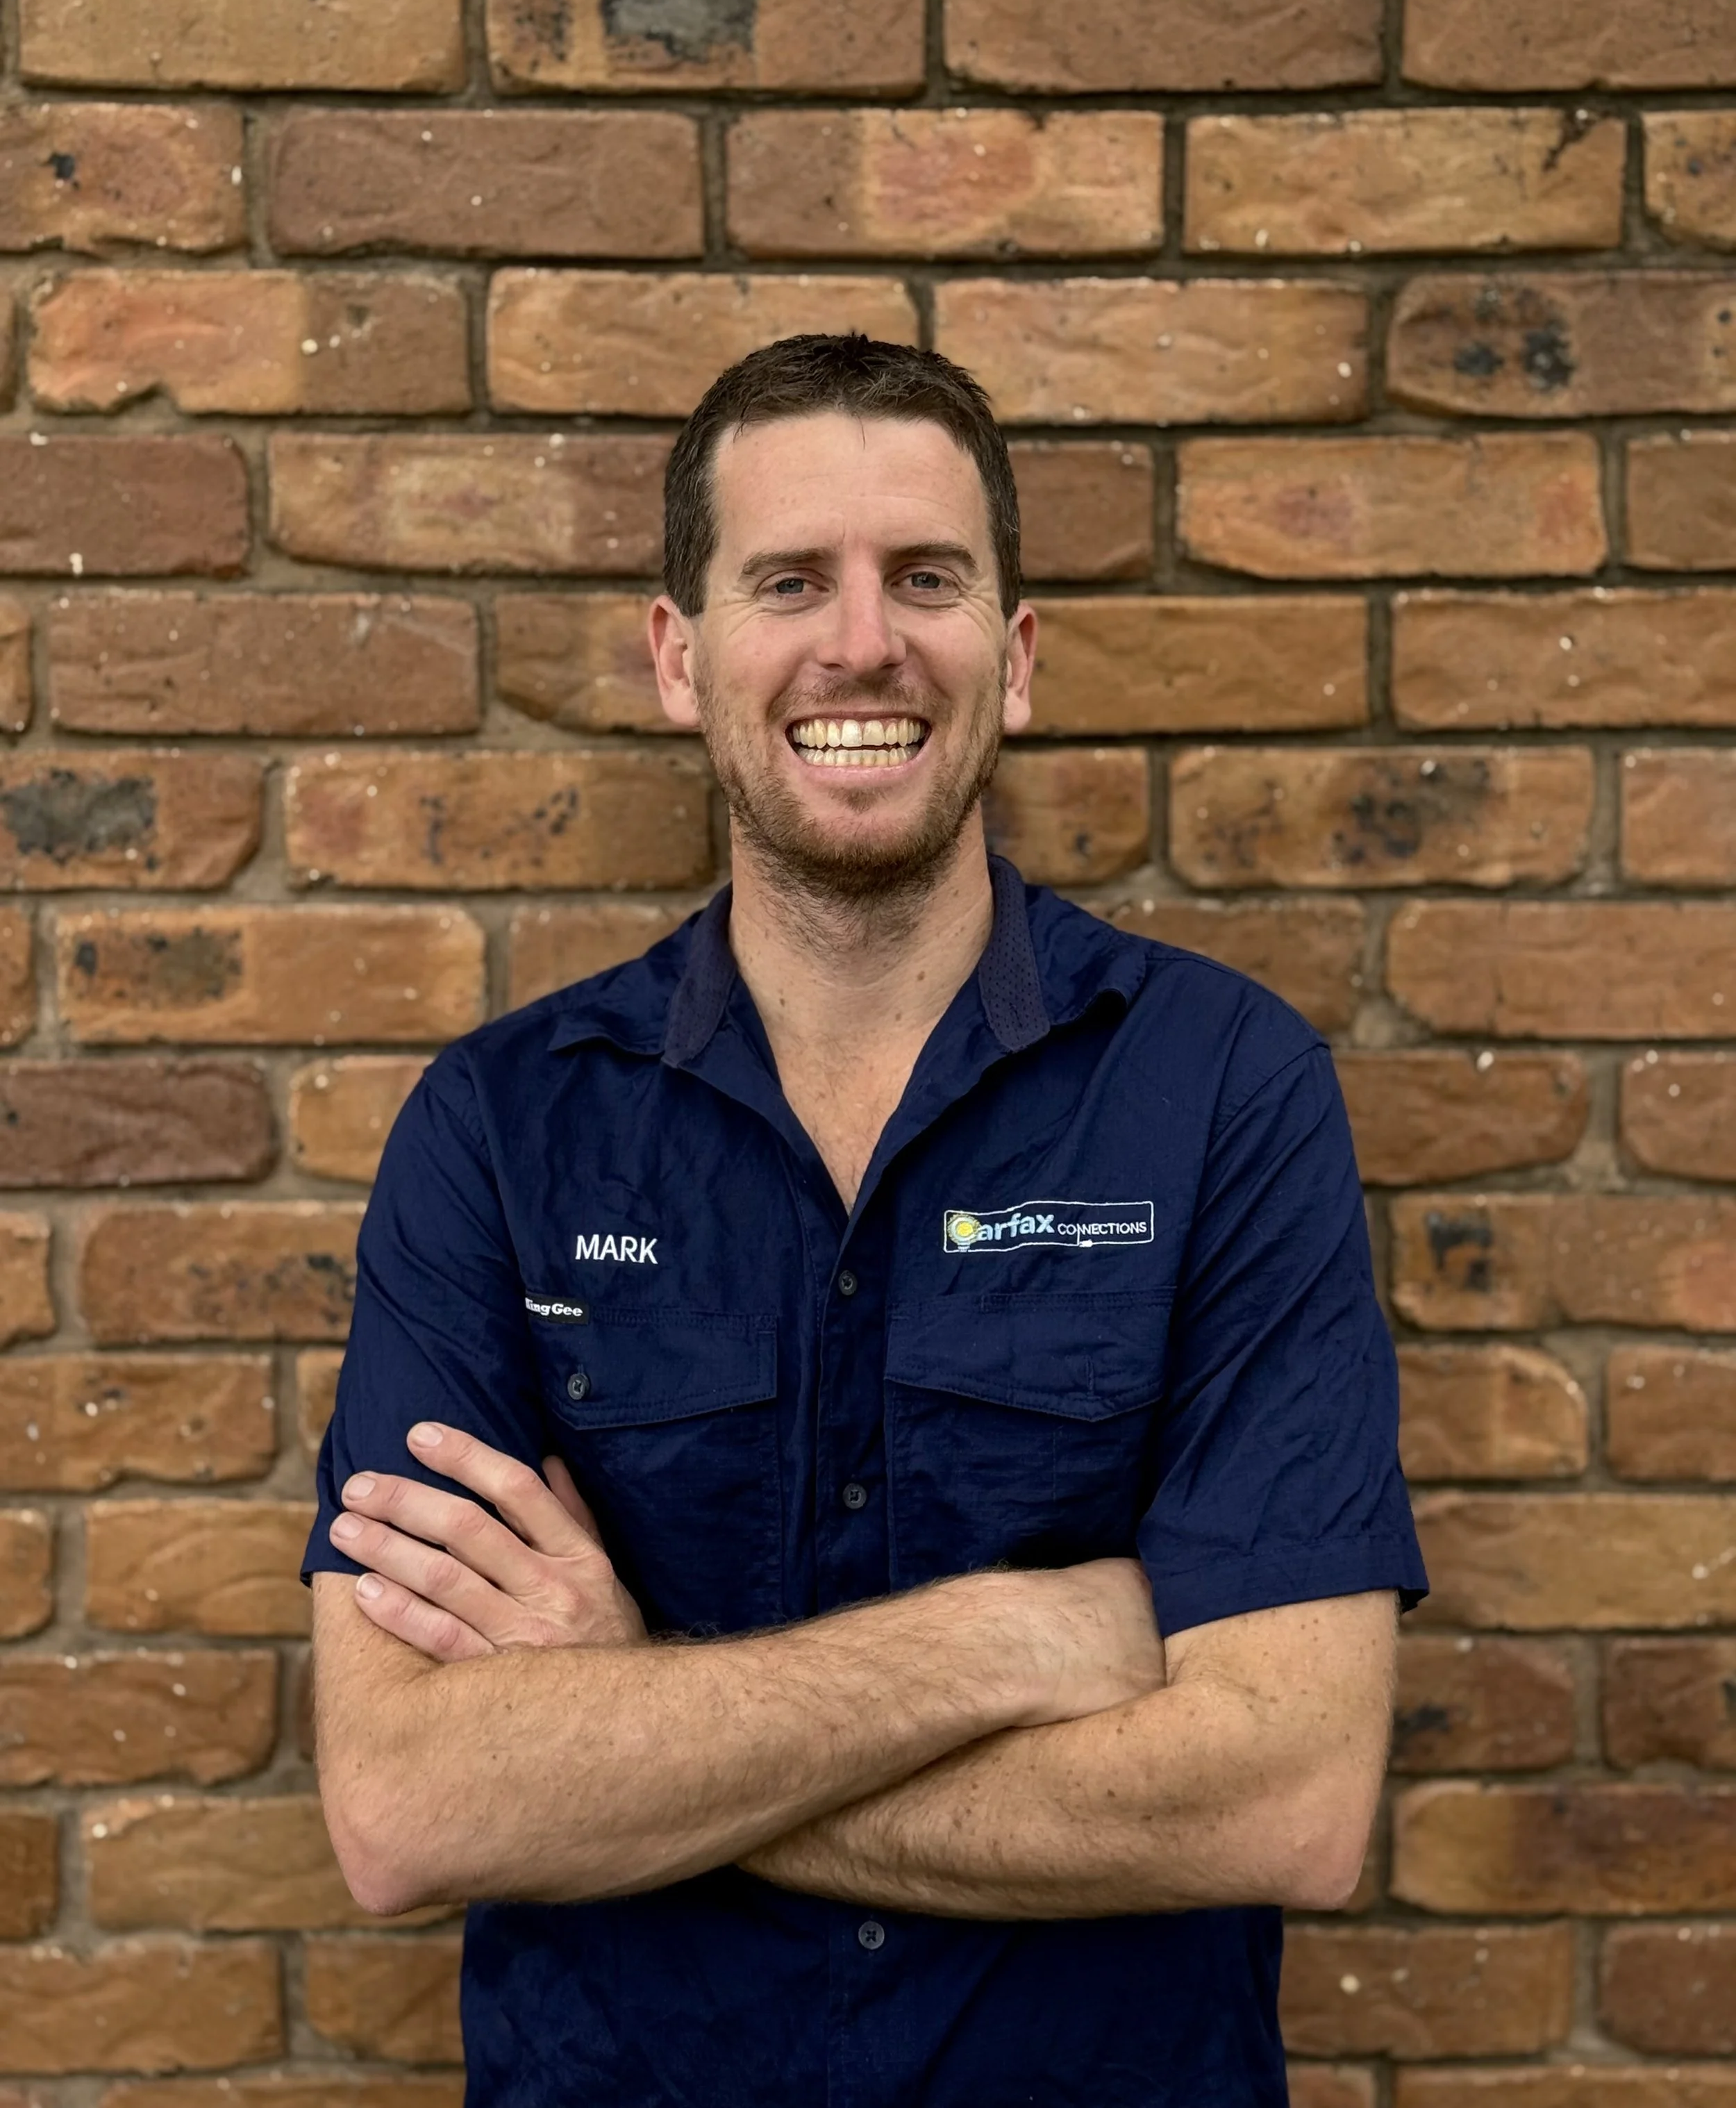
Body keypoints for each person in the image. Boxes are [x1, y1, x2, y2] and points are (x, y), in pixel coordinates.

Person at [305, 332, 1427, 2108]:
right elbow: (408, 1800)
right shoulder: (505, 1130)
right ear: (679, 659)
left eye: (925, 578)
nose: (860, 643)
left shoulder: (1219, 1088)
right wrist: (1016, 1639)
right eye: (786, 582)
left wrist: (635, 1730)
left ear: (1014, 653)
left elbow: (1281, 1794)